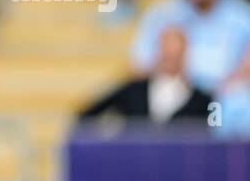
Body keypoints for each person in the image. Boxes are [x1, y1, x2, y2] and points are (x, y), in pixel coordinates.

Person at [79, 26, 211, 126]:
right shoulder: (133, 91)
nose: (170, 58)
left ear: (184, 55)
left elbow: (215, 137)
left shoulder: (203, 100)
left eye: (175, 55)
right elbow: (87, 114)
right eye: (166, 54)